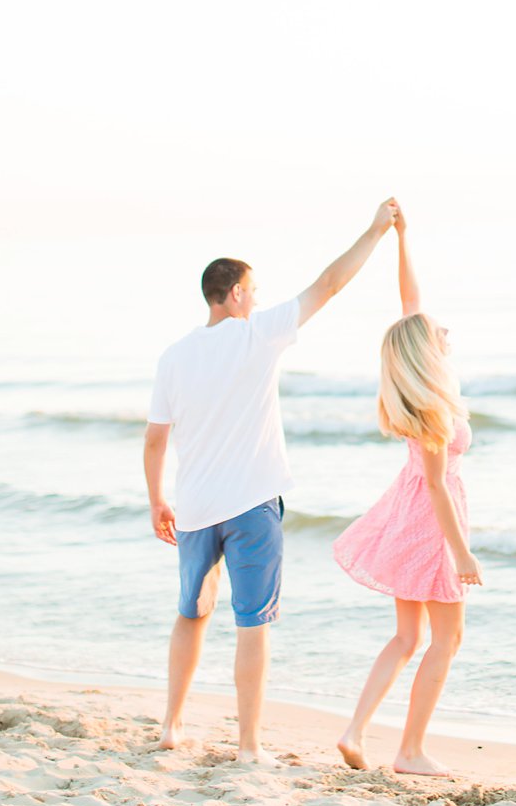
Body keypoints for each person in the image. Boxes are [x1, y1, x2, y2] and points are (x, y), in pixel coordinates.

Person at [144, 199, 399, 763]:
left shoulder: (174, 357)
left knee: (191, 611)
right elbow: (330, 284)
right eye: (253, 289)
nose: (258, 297)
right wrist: (376, 229)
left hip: (195, 506)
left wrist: (156, 498)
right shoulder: (257, 334)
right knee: (252, 623)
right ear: (234, 293)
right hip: (253, 504)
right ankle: (249, 747)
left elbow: (155, 439)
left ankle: (171, 725)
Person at [333, 203, 483, 776]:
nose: (445, 330)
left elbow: (409, 304)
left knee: (406, 637)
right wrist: (462, 552)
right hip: (432, 524)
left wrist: (401, 238)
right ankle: (410, 751)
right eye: (438, 330)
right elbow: (441, 489)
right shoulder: (435, 409)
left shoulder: (417, 392)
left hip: (406, 515)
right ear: (426, 350)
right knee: (447, 638)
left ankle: (354, 731)